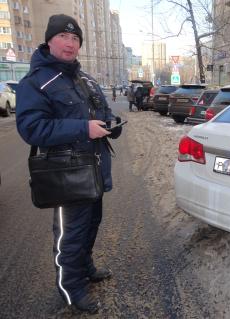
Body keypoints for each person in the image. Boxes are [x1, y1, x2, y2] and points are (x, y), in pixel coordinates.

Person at [15, 14, 122, 314]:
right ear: (49, 41)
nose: (70, 43)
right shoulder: (36, 82)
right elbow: (32, 129)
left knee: (91, 225)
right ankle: (70, 289)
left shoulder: (84, 78)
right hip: (68, 175)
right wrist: (82, 128)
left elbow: (103, 110)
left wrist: (113, 124)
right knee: (70, 234)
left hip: (95, 171)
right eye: (64, 37)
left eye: (75, 39)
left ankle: (85, 268)